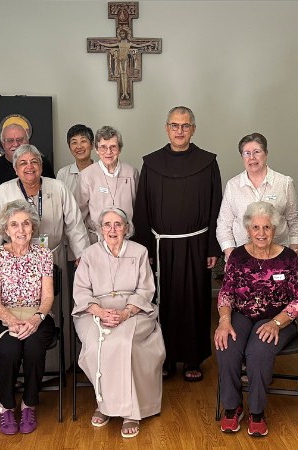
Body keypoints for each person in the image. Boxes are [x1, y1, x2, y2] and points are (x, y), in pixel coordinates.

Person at [133, 106, 222, 382]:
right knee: (163, 302)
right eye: (175, 125)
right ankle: (165, 357)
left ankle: (193, 359)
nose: (180, 131)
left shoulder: (207, 162)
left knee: (195, 300)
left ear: (193, 129)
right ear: (167, 128)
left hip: (196, 246)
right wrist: (145, 246)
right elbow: (142, 208)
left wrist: (212, 248)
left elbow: (215, 206)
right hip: (162, 248)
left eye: (185, 126)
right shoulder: (152, 163)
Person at [0, 144, 88, 369]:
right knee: (16, 315)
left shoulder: (57, 187)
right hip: (14, 260)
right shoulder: (4, 190)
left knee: (51, 311)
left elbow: (75, 225)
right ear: (15, 169)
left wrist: (82, 256)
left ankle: (55, 368)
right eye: (23, 163)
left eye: (34, 162)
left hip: (51, 258)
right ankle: (19, 372)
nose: (30, 167)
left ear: (41, 166)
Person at [215, 202, 298, 437]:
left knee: (259, 350)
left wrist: (276, 323)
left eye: (266, 227)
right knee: (228, 346)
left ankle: (257, 412)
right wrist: (224, 321)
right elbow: (226, 292)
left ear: (275, 229)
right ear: (248, 229)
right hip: (242, 315)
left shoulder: (288, 258)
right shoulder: (237, 256)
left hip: (279, 319)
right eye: (256, 227)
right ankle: (232, 408)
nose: (261, 233)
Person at [73, 207, 161, 438]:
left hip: (135, 311)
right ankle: (105, 404)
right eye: (107, 225)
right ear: (100, 229)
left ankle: (131, 410)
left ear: (127, 228)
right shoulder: (89, 254)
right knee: (95, 345)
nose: (112, 229)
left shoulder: (139, 251)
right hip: (94, 312)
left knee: (124, 344)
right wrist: (100, 311)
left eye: (118, 224)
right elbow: (81, 291)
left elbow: (145, 288)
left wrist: (125, 313)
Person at [0, 200, 57, 435]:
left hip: (37, 314)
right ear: (6, 229)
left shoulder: (44, 254)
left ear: (32, 227)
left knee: (35, 346)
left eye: (25, 224)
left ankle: (29, 403)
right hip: (4, 316)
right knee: (11, 347)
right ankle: (6, 406)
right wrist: (12, 321)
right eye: (14, 224)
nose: (20, 230)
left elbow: (47, 298)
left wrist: (36, 319)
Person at [216, 133, 298, 261]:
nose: (252, 157)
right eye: (247, 153)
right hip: (242, 260)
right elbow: (224, 225)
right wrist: (232, 256)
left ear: (266, 153)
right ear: (242, 157)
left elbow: (295, 222)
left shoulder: (284, 183)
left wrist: (293, 255)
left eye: (257, 152)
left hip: (279, 258)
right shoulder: (233, 185)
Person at [79, 126, 139, 244]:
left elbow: (139, 209)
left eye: (113, 147)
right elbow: (79, 216)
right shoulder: (87, 175)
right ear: (96, 149)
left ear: (120, 149)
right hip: (97, 241)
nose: (108, 152)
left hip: (127, 240)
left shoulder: (131, 173)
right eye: (103, 147)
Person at [56, 124, 96, 269]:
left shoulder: (101, 172)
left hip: (98, 239)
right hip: (71, 239)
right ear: (69, 147)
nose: (79, 146)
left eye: (83, 141)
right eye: (74, 142)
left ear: (92, 145)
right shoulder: (62, 174)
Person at [0, 124, 56, 193]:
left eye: (20, 140)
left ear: (27, 141)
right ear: (3, 144)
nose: (16, 144)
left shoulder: (42, 163)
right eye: (10, 140)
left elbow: (53, 191)